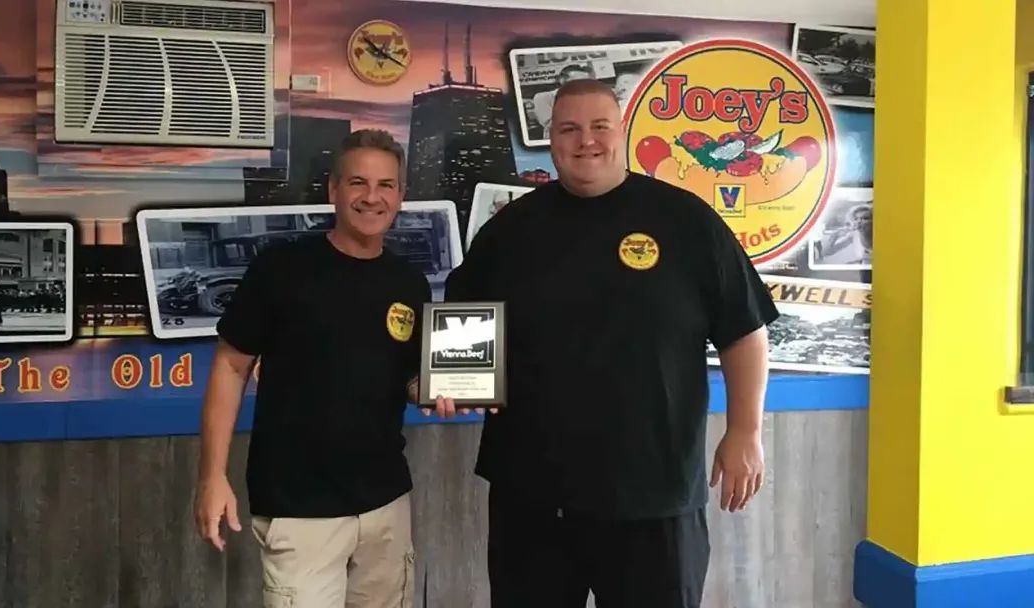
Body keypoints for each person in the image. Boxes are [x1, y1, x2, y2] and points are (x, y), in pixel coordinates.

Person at [433, 79, 779, 607]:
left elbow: (746, 330)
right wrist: (449, 379)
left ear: (623, 133)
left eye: (599, 126)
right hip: (534, 495)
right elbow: (463, 318)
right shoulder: (511, 230)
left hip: (654, 493)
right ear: (550, 140)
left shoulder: (686, 221)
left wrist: (746, 431)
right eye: (569, 128)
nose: (585, 141)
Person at [194, 129, 430, 608]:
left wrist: (438, 388)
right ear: (334, 190)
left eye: (386, 185)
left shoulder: (410, 282)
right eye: (358, 182)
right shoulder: (282, 269)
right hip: (299, 510)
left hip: (386, 503)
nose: (372, 197)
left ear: (401, 195)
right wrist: (212, 476)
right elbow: (231, 367)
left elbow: (407, 378)